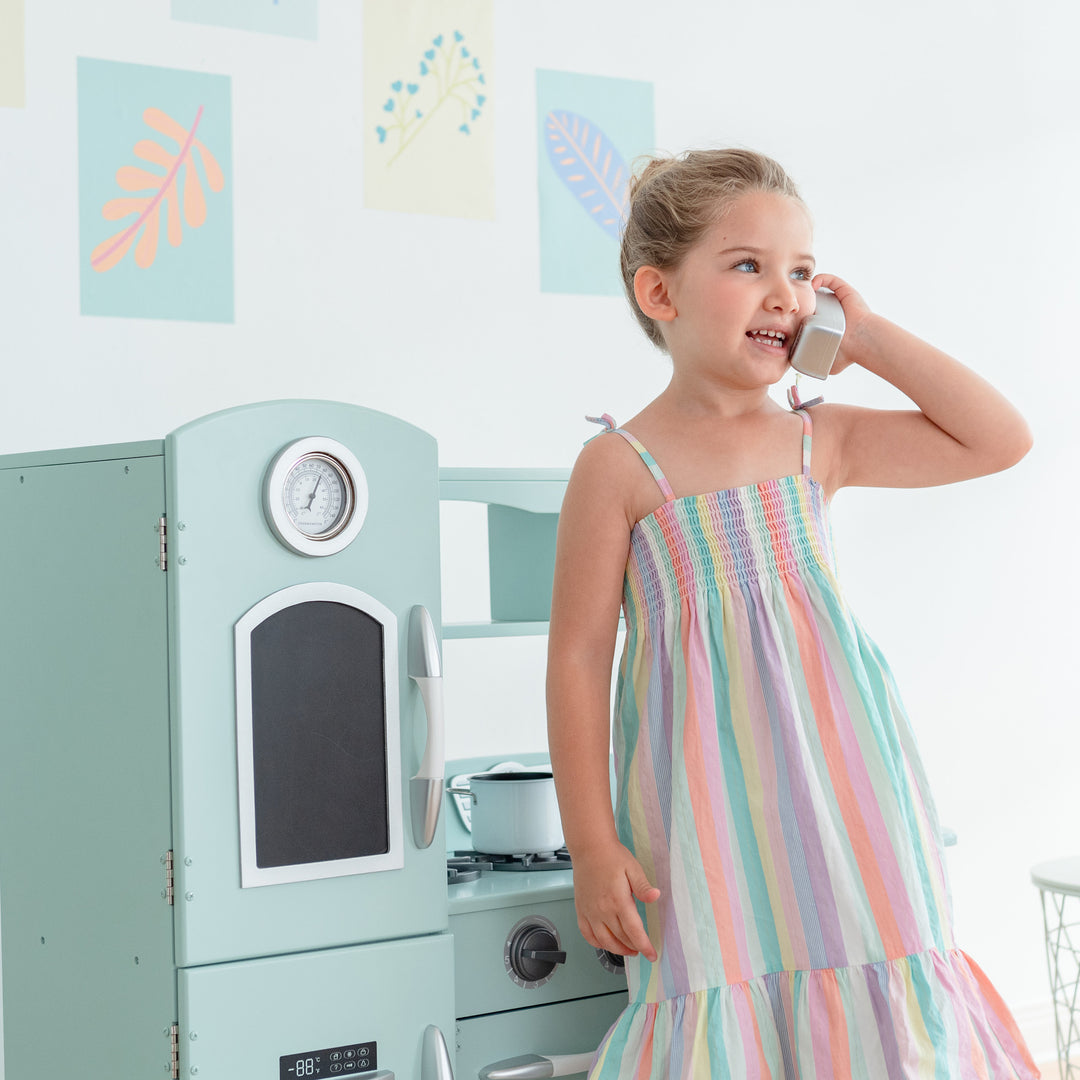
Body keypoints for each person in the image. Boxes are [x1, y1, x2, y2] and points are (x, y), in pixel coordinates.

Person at [546, 148, 1038, 1078]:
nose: (786, 294)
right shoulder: (619, 468)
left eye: (802, 272)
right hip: (704, 813)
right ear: (660, 293)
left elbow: (999, 437)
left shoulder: (819, 439)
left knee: (879, 974)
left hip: (846, 789)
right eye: (749, 266)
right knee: (721, 986)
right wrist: (592, 842)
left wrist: (873, 340)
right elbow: (576, 656)